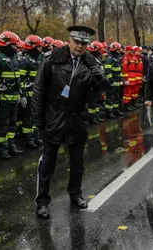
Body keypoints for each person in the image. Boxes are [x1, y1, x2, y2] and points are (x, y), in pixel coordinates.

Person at [32, 25, 109, 219]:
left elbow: (102, 91)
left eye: (84, 43)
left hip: (77, 118)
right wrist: (38, 120)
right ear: (69, 40)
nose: (80, 46)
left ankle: (75, 195)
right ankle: (42, 202)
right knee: (48, 162)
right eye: (77, 42)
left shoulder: (91, 64)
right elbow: (39, 90)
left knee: (77, 163)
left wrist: (100, 78)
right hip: (54, 116)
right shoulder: (51, 61)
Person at [0, 31, 23, 160]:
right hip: (2, 99)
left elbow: (18, 78)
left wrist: (20, 93)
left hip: (14, 97)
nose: (16, 47)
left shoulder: (14, 58)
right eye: (14, 45)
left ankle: (11, 146)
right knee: (2, 125)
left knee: (13, 124)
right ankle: (2, 149)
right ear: (6, 44)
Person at [19, 35, 44, 149]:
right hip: (28, 96)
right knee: (28, 119)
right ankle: (29, 140)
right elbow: (21, 80)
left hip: (37, 96)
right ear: (32, 47)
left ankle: (36, 137)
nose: (41, 49)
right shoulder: (25, 61)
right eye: (39, 47)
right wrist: (23, 95)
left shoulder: (37, 60)